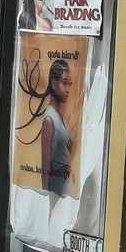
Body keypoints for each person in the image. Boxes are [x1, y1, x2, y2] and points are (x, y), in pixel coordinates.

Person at [40, 59, 74, 197]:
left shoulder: (61, 118)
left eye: (70, 84)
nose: (68, 90)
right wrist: (44, 197)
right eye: (64, 83)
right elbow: (45, 167)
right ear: (54, 83)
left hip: (66, 190)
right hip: (56, 193)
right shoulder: (49, 120)